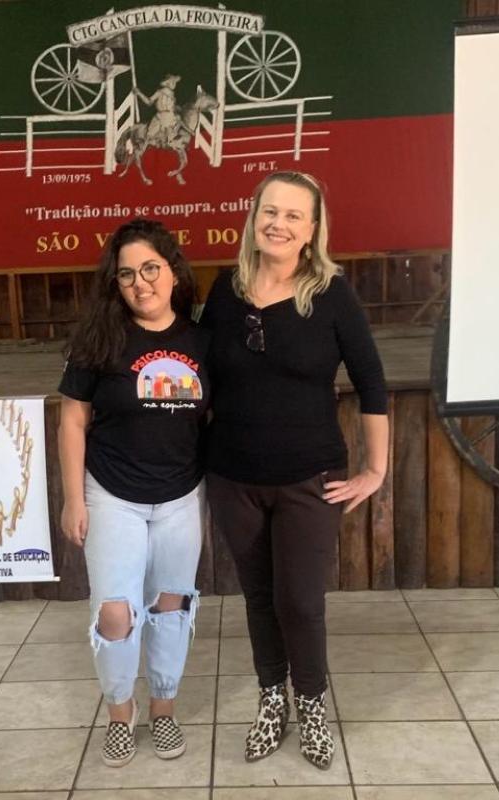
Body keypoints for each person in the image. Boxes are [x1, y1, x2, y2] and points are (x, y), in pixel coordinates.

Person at [200, 171, 388, 769]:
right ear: (253, 217)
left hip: (311, 479)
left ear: (311, 230)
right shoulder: (225, 290)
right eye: (269, 211)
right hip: (233, 476)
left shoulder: (331, 293)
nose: (278, 223)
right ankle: (271, 700)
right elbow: (199, 375)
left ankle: (311, 705)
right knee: (259, 598)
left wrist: (376, 470)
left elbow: (372, 382)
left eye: (293, 215)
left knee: (301, 602)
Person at [58, 218, 209, 768]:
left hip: (180, 497)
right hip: (111, 494)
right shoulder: (98, 340)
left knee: (171, 607)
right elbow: (72, 421)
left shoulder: (202, 340)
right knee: (116, 615)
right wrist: (74, 499)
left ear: (173, 271)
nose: (140, 283)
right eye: (127, 275)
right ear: (116, 283)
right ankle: (120, 714)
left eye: (150, 269)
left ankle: (163, 710)